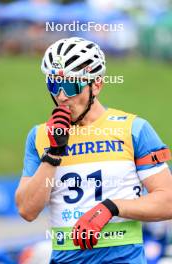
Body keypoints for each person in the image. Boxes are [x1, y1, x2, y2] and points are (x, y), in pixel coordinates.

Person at [15, 37, 172, 264]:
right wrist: (53, 154)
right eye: (53, 84)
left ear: (96, 85)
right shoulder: (39, 136)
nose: (61, 96)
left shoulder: (134, 129)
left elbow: (167, 200)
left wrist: (112, 207)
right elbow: (27, 210)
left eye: (70, 85)